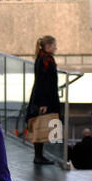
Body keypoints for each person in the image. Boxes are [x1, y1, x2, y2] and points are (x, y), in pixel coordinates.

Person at [28, 35, 61, 164]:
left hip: (45, 97)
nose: (55, 47)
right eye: (54, 45)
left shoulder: (45, 58)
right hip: (43, 98)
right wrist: (43, 103)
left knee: (41, 125)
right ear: (47, 46)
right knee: (40, 125)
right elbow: (42, 82)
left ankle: (39, 155)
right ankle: (38, 156)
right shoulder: (44, 60)